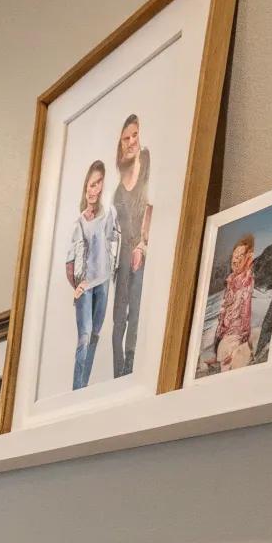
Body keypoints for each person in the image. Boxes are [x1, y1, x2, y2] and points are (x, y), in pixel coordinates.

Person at [66, 160, 120, 390]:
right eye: (91, 184)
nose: (94, 189)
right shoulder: (79, 222)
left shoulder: (109, 214)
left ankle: (83, 389)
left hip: (104, 282)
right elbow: (70, 260)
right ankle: (77, 389)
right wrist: (76, 285)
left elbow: (115, 240)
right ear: (85, 187)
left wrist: (113, 271)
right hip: (86, 287)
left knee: (96, 334)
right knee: (85, 335)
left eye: (99, 184)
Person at [111, 115, 153, 379]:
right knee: (119, 319)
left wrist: (143, 243)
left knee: (135, 312)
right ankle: (118, 375)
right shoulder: (117, 187)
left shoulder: (148, 166)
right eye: (126, 138)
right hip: (122, 256)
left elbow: (151, 207)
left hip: (141, 250)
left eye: (134, 135)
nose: (131, 142)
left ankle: (131, 370)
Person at [212, 234, 255, 371]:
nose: (235, 260)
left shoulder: (246, 281)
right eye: (234, 256)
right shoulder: (232, 281)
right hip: (226, 337)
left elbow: (245, 312)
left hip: (235, 339)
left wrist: (239, 343)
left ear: (248, 259)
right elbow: (224, 313)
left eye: (239, 256)